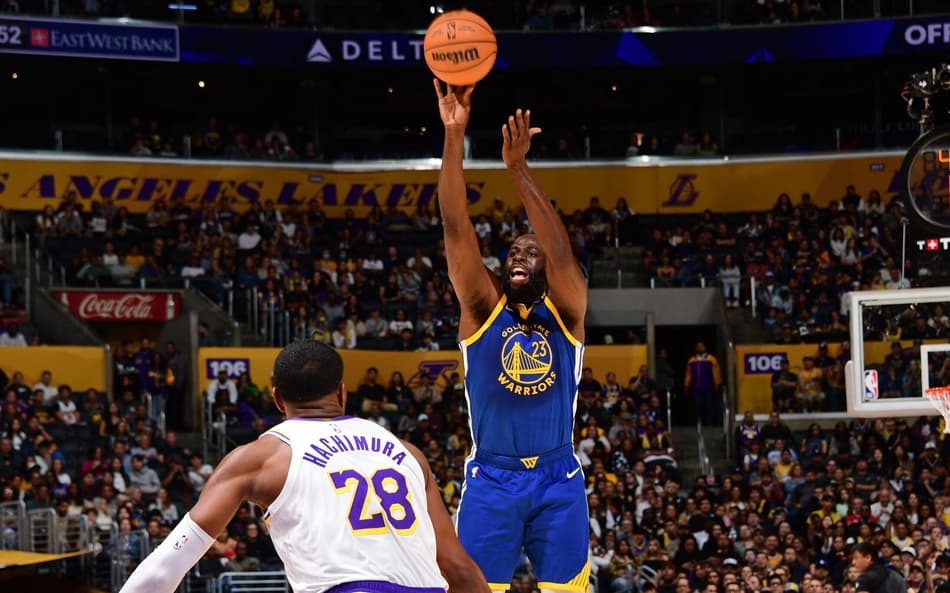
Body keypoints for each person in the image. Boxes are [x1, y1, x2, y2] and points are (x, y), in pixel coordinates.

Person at [119, 340, 489, 593]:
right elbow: (458, 569)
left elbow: (167, 565)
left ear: (277, 399)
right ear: (342, 392)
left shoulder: (261, 458)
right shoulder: (408, 453)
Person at [434, 79, 590, 593]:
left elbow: (561, 253)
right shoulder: (483, 308)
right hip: (492, 479)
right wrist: (454, 135)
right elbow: (455, 226)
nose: (519, 255)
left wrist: (517, 169)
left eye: (530, 251)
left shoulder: (567, 311)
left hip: (558, 476)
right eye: (513, 251)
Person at [684, 341, 721, 426]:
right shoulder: (691, 360)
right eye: (698, 347)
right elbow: (688, 374)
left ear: (705, 348)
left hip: (708, 387)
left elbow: (716, 373)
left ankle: (709, 425)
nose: (699, 348)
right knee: (698, 407)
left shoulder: (711, 359)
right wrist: (686, 385)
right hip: (696, 387)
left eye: (701, 346)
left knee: (709, 407)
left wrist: (717, 383)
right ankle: (699, 424)